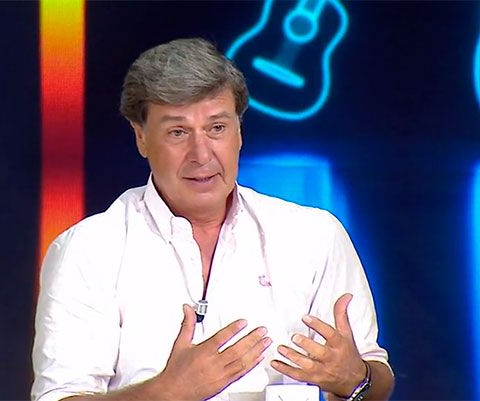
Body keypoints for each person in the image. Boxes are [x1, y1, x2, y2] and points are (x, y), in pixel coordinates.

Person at [31, 38, 393, 401]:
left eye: (217, 128)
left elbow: (375, 379)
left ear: (239, 132)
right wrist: (166, 393)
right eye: (177, 132)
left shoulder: (314, 236)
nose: (201, 154)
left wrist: (356, 378)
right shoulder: (88, 250)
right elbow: (60, 396)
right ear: (141, 137)